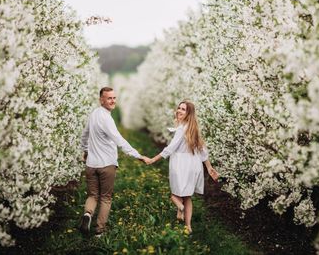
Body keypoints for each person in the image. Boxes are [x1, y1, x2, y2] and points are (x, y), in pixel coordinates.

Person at [80, 87, 149, 237]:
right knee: (106, 197)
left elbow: (84, 135)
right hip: (106, 164)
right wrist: (137, 155)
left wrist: (85, 151)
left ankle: (87, 215)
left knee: (92, 195)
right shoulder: (107, 119)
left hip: (91, 164)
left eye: (114, 98)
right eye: (109, 98)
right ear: (101, 100)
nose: (112, 101)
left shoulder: (93, 114)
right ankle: (99, 231)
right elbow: (119, 140)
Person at [147, 100, 219, 234]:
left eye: (183, 109)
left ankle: (180, 207)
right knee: (187, 196)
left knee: (175, 195)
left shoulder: (182, 129)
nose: (179, 111)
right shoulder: (194, 129)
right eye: (179, 108)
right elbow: (203, 151)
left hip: (180, 164)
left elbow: (170, 148)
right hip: (194, 164)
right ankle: (188, 226)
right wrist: (209, 168)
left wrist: (153, 159)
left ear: (189, 114)